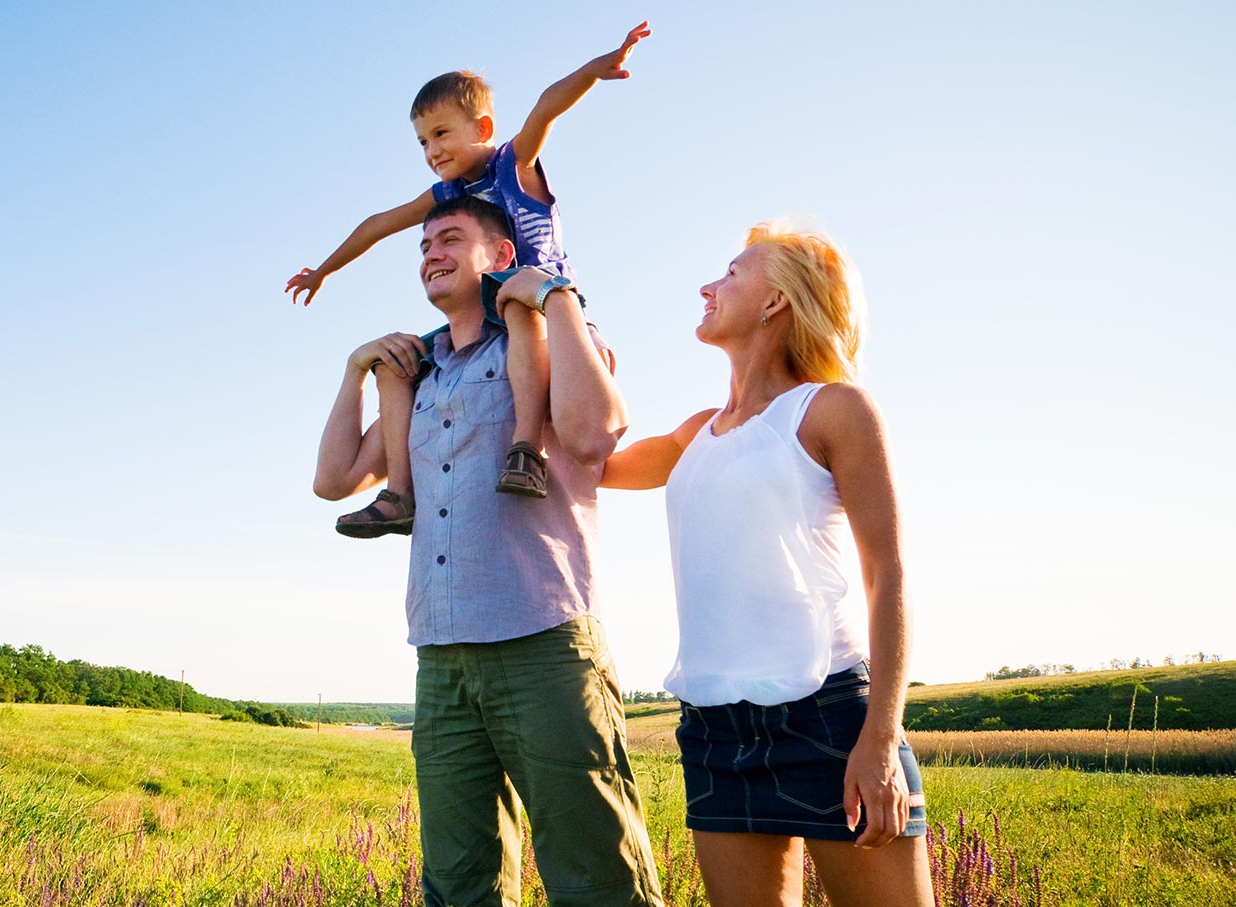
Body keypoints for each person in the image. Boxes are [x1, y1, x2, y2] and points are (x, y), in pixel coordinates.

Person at [313, 195, 666, 907]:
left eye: (449, 238)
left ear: (502, 255)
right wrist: (354, 370)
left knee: (599, 879)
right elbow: (334, 479)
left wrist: (556, 298)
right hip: (441, 655)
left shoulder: (548, 337)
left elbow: (595, 434)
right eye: (422, 247)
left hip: (543, 641)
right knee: (458, 886)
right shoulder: (421, 374)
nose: (431, 254)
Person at [599, 221, 931, 906]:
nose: (707, 286)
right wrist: (571, 344)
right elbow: (586, 464)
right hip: (714, 727)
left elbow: (888, 574)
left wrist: (879, 738)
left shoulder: (832, 410)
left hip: (829, 717)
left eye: (730, 273)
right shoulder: (694, 434)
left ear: (776, 300)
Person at [290, 23, 652, 537]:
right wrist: (324, 270)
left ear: (482, 128)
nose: (431, 150)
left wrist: (595, 69)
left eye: (441, 134)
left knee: (515, 304)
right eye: (422, 141)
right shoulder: (447, 193)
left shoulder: (512, 165)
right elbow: (379, 223)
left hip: (539, 299)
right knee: (396, 364)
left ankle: (525, 447)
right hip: (485, 315)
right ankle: (400, 495)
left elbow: (545, 108)